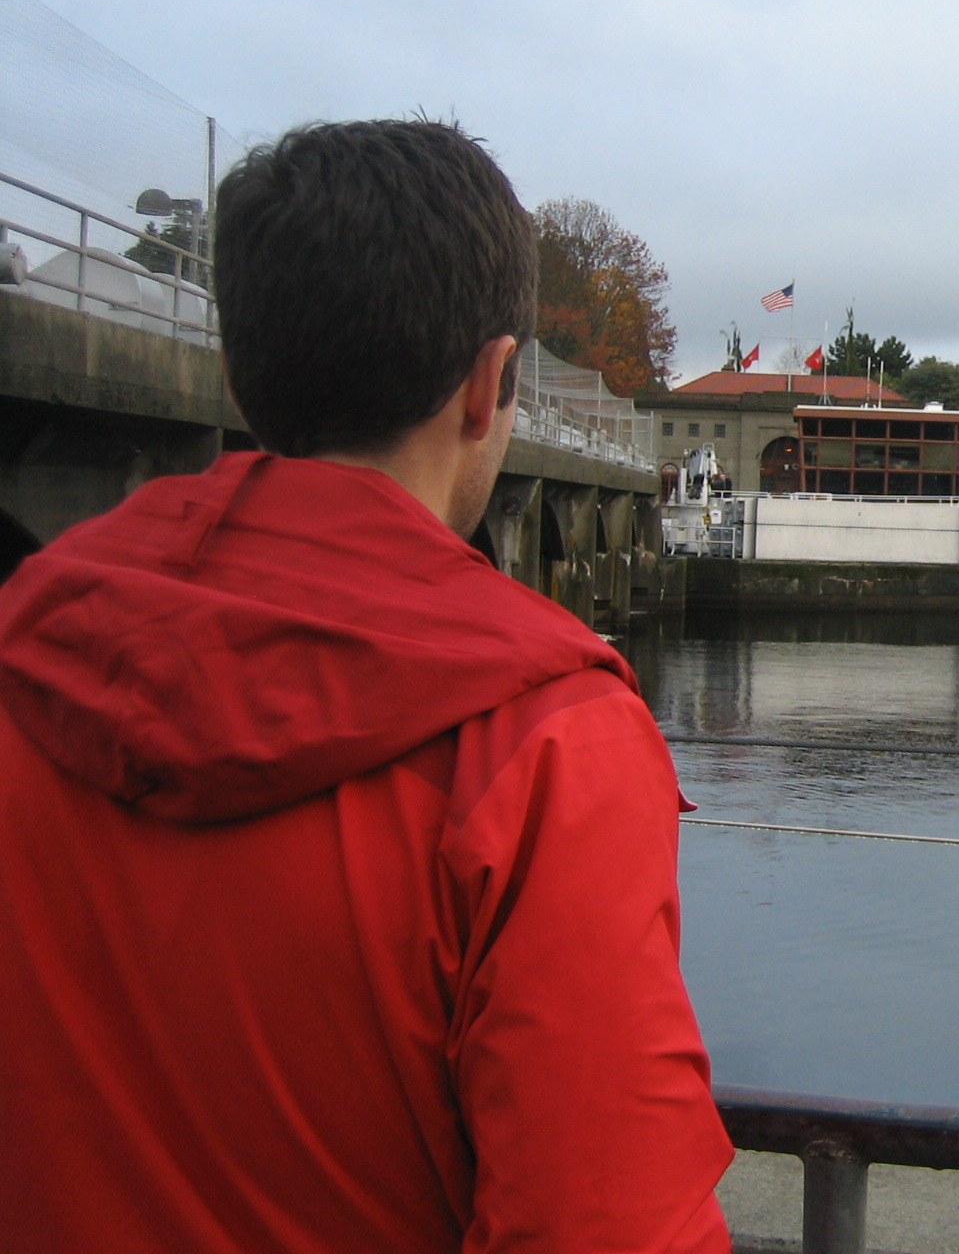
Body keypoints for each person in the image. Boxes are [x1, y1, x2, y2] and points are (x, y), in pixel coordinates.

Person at [0, 120, 732, 1252]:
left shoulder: (29, 644)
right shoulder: (545, 739)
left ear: (237, 373)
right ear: (490, 385)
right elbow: (606, 1220)